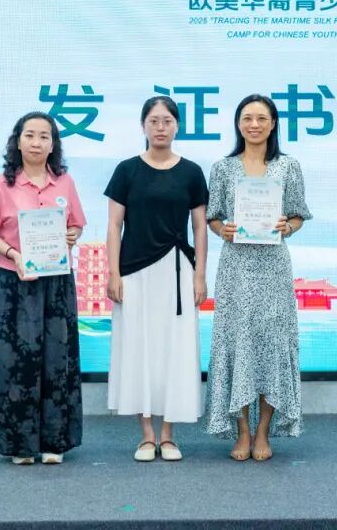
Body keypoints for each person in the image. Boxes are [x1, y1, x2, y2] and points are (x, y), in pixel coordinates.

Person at [203, 93, 312, 461]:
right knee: (237, 342)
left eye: (261, 118)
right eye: (247, 118)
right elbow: (213, 216)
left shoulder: (288, 167)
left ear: (273, 123)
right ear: (238, 123)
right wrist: (222, 229)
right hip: (236, 266)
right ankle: (243, 431)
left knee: (271, 343)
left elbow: (298, 214)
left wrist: (288, 226)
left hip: (273, 266)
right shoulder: (223, 168)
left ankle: (264, 430)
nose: (254, 124)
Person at [105, 95, 209, 462]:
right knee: (139, 349)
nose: (160, 127)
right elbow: (114, 226)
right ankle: (146, 435)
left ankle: (169, 435)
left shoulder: (192, 172)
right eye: (153, 121)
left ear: (177, 126)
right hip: (134, 273)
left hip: (178, 272)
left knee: (175, 350)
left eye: (167, 121)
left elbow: (200, 227)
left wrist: (200, 275)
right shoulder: (126, 170)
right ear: (143, 126)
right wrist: (113, 273)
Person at [0, 111, 86, 465]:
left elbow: (76, 225)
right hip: (15, 282)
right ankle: (20, 444)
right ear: (18, 141)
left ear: (53, 144)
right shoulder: (1, 185)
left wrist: (71, 235)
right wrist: (14, 254)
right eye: (30, 135)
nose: (36, 142)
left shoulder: (65, 183)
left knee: (57, 359)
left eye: (44, 136)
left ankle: (55, 441)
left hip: (57, 283)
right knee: (16, 361)